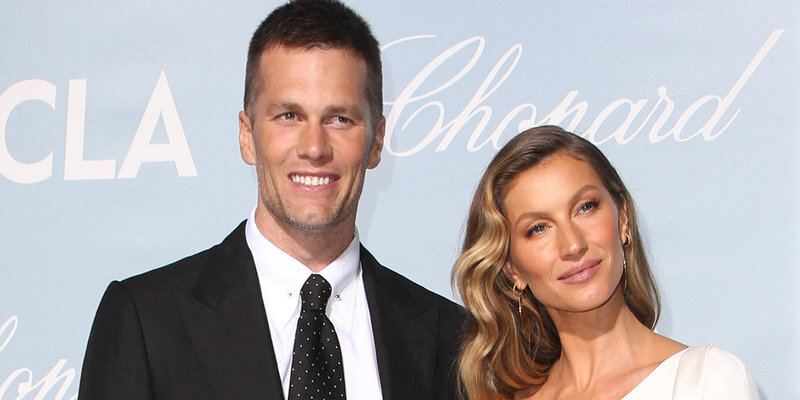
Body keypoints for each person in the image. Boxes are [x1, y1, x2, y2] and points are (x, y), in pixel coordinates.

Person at [78, 1, 464, 399]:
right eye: (289, 116)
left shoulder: (452, 339)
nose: (314, 147)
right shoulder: (146, 322)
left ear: (377, 141)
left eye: (339, 119)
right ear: (247, 136)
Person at [452, 126, 759, 400]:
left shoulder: (706, 380)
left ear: (622, 217)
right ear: (511, 269)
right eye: (539, 228)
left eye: (585, 207)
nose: (573, 245)